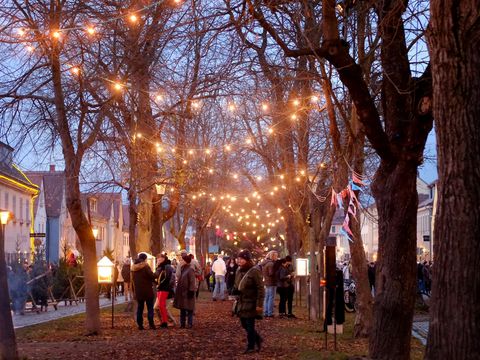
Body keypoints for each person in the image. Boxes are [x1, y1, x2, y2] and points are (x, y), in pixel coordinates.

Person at [233, 249, 264, 354]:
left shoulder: (254, 271)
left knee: (250, 325)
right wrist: (234, 290)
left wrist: (259, 305)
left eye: (242, 259)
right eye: (238, 258)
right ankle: (258, 338)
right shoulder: (238, 270)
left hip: (251, 302)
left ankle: (251, 346)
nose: (239, 261)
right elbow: (237, 284)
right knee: (244, 324)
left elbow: (260, 288)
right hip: (241, 302)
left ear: (247, 259)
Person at [131, 253, 157, 330]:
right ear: (145, 259)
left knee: (140, 308)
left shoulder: (133, 268)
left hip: (138, 291)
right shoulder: (145, 266)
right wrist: (157, 273)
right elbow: (151, 276)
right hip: (147, 290)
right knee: (150, 308)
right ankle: (151, 324)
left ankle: (140, 325)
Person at [173, 253, 196, 328]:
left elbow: (192, 281)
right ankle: (182, 323)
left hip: (188, 292)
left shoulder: (190, 269)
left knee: (189, 308)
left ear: (186, 261)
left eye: (182, 260)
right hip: (182, 292)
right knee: (182, 308)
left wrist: (191, 290)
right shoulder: (183, 268)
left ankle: (190, 323)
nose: (181, 261)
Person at [154, 253, 174, 328]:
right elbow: (158, 277)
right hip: (160, 288)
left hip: (164, 288)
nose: (158, 260)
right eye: (157, 259)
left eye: (159, 259)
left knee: (162, 305)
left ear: (163, 259)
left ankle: (165, 322)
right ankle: (163, 321)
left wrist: (160, 284)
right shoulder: (160, 267)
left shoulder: (167, 266)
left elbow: (167, 278)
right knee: (159, 306)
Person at [261, 250, 278, 318]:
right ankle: (270, 313)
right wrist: (277, 272)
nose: (277, 257)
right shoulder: (271, 264)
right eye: (276, 256)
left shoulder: (265, 263)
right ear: (273, 256)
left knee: (267, 297)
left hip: (266, 282)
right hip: (272, 282)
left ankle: (265, 312)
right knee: (271, 297)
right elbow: (271, 273)